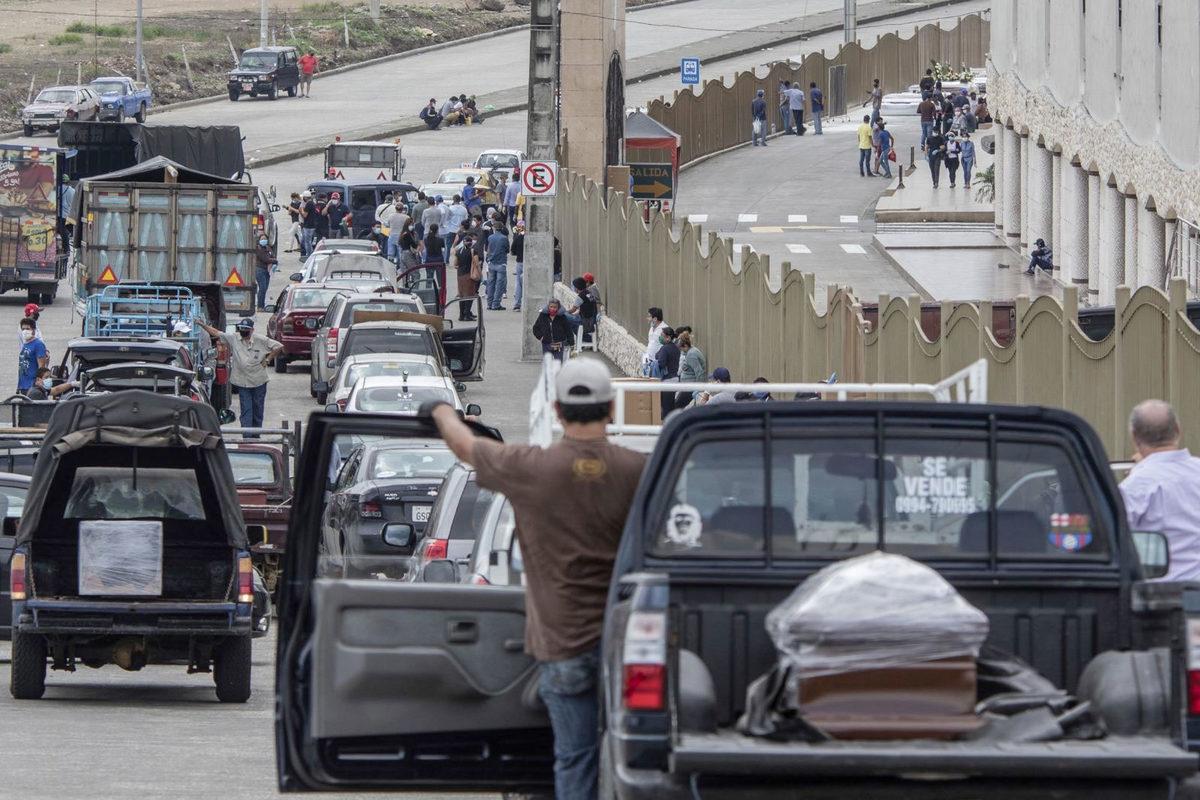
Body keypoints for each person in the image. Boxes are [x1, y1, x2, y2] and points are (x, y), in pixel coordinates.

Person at [424, 358, 645, 799]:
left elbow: (467, 448)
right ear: (612, 410)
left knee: (575, 757)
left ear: (558, 411)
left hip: (561, 645)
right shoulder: (637, 470)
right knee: (634, 759)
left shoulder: (530, 468)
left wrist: (441, 411)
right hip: (627, 647)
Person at [1119, 400, 1200, 581]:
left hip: (1162, 599)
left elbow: (1116, 539)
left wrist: (1141, 472)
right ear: (1178, 430)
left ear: (1134, 437)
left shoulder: (1134, 487)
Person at [198, 317, 282, 433]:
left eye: (246, 329)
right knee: (246, 410)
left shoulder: (260, 340)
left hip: (259, 381)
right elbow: (216, 333)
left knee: (258, 409)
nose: (243, 331)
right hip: (243, 382)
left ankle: (256, 435)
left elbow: (278, 346)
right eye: (241, 328)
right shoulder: (234, 338)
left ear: (252, 330)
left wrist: (268, 359)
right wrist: (202, 325)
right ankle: (247, 437)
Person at [675, 331, 707, 410]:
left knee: (677, 406)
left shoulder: (691, 355)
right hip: (688, 385)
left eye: (681, 348)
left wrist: (698, 389)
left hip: (691, 387)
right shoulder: (691, 351)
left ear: (685, 345)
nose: (680, 350)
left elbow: (699, 372)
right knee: (677, 405)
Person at [654, 326, 681, 419]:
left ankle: (666, 427)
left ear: (668, 337)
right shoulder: (676, 348)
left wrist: (657, 356)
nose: (660, 337)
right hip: (675, 379)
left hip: (666, 380)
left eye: (662, 335)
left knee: (665, 408)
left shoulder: (665, 349)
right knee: (670, 405)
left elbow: (661, 363)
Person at [453, 230, 480, 321]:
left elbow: (455, 264)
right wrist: (479, 273)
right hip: (469, 275)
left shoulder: (458, 251)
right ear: (471, 243)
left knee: (462, 295)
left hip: (460, 275)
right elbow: (476, 263)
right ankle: (467, 314)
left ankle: (461, 315)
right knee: (469, 295)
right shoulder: (473, 251)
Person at [17, 316, 48, 394]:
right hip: (23, 386)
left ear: (33, 330)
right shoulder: (25, 344)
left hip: (32, 386)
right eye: (23, 329)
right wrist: (19, 386)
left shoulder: (38, 345)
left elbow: (42, 367)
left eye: (27, 329)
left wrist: (38, 385)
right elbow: (22, 366)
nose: (25, 331)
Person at [485, 224, 510, 310]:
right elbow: (507, 250)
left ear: (494, 228)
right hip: (501, 262)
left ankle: (489, 303)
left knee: (491, 283)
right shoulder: (504, 238)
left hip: (492, 262)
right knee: (499, 285)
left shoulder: (490, 237)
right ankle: (496, 304)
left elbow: (488, 249)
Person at [254, 235, 277, 311]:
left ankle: (262, 305)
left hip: (267, 271)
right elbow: (265, 259)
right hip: (260, 270)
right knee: (262, 288)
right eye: (262, 239)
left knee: (265, 288)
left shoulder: (268, 248)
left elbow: (273, 256)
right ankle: (260, 306)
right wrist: (274, 261)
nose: (264, 240)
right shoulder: (258, 248)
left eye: (265, 239)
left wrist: (273, 260)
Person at [642, 307, 667, 376]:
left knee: (655, 385)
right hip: (648, 362)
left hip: (657, 364)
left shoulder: (664, 330)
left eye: (649, 316)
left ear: (655, 319)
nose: (647, 319)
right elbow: (650, 344)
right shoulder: (651, 328)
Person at [510, 221, 525, 311]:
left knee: (519, 284)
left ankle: (517, 304)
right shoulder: (533, 237)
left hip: (520, 262)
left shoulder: (519, 238)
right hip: (530, 263)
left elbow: (512, 251)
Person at [299, 190, 318, 257]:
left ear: (306, 197)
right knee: (305, 241)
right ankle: (307, 254)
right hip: (310, 225)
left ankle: (310, 255)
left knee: (308, 242)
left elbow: (305, 215)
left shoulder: (309, 204)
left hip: (308, 226)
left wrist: (301, 210)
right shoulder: (312, 203)